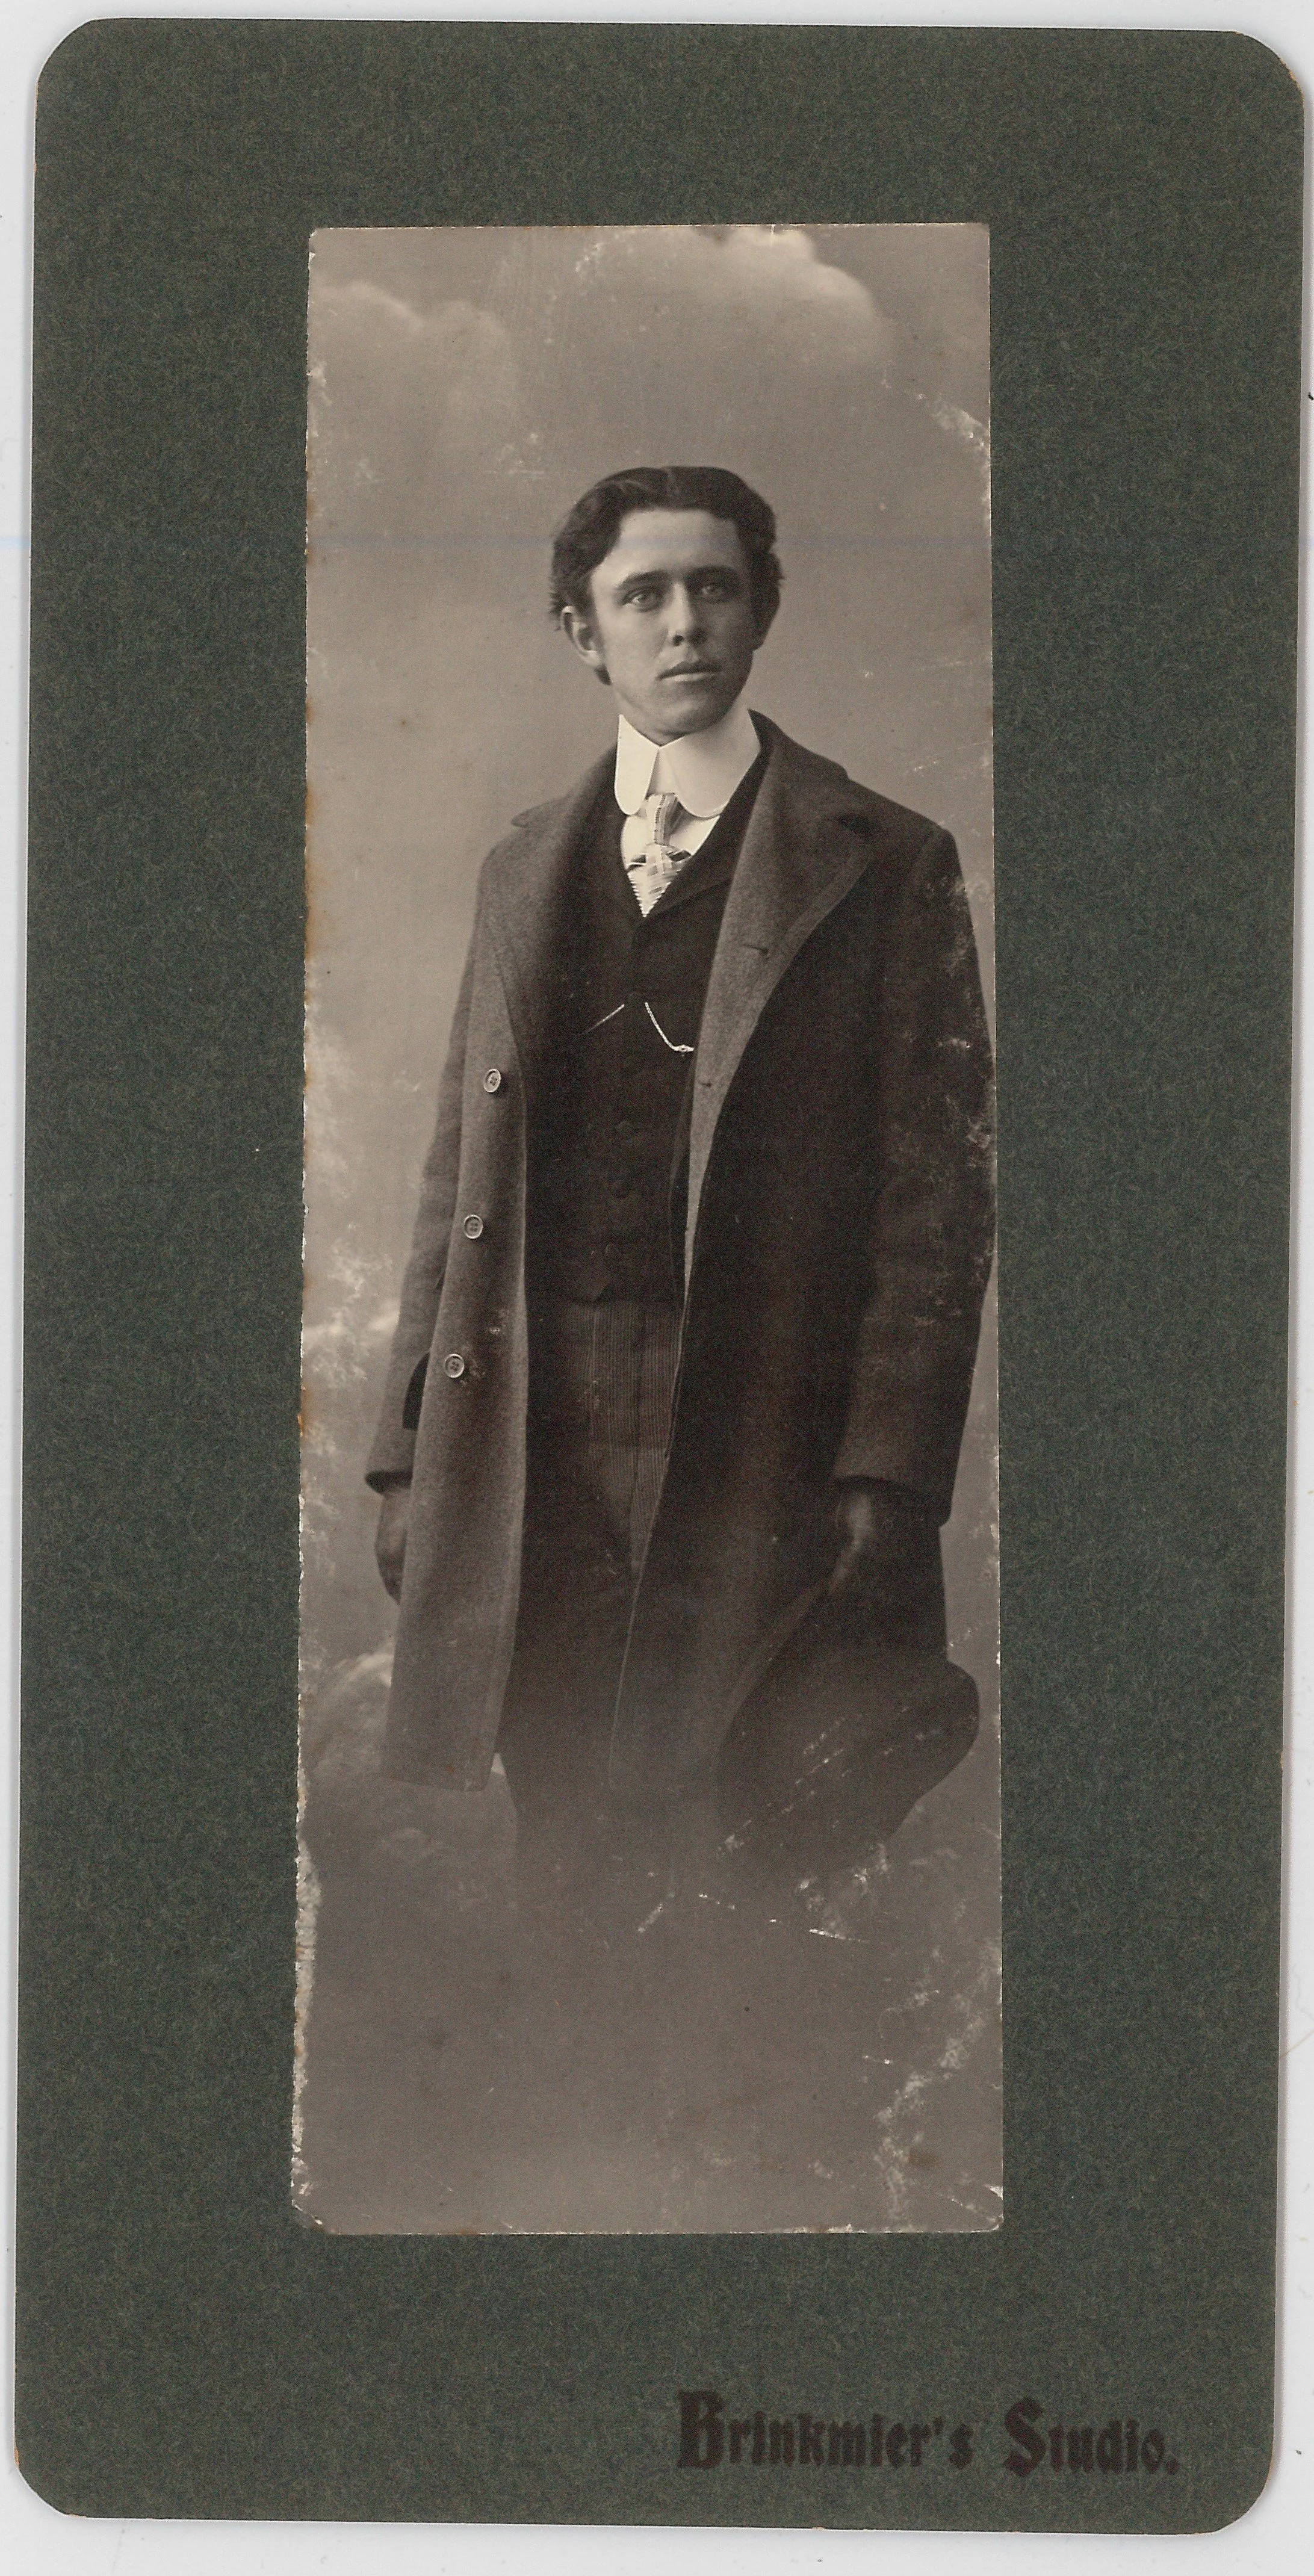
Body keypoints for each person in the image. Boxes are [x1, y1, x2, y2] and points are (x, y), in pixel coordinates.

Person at [365, 464, 994, 1939]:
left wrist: (887, 1478)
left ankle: (730, 2142)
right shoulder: (525, 867)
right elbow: (457, 1177)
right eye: (640, 593)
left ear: (761, 607)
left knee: (734, 1834)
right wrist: (407, 1448)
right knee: (558, 1801)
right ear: (583, 632)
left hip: (760, 1417)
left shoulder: (883, 863)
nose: (682, 621)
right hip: (538, 1427)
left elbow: (935, 1207)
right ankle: (562, 2132)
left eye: (714, 585)